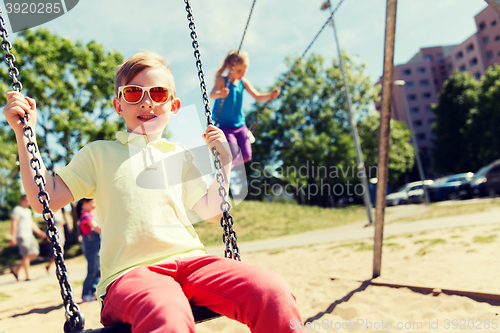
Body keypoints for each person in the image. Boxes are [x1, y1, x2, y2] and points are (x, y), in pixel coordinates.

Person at [4, 51, 303, 333]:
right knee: (167, 312)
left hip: (193, 264)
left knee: (271, 290)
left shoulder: (181, 154)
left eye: (158, 93)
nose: (146, 102)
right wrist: (24, 132)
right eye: (134, 93)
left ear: (173, 106)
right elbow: (46, 198)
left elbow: (212, 211)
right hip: (131, 274)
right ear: (118, 105)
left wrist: (224, 164)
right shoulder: (99, 153)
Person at [210, 50, 280, 166]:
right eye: (239, 70)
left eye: (244, 70)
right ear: (229, 67)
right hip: (225, 126)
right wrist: (220, 94)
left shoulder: (242, 82)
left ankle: (230, 164)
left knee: (247, 155)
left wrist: (270, 95)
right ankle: (227, 166)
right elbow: (213, 94)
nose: (242, 73)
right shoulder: (222, 80)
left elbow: (257, 96)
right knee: (234, 153)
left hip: (240, 125)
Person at [9, 195, 46, 281]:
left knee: (35, 253)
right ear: (22, 200)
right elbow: (14, 223)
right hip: (22, 235)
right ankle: (28, 275)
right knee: (26, 255)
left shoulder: (28, 211)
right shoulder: (17, 210)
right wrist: (13, 237)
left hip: (29, 235)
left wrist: (39, 232)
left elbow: (31, 224)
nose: (29, 203)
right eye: (27, 201)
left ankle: (16, 270)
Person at [76, 198, 101, 302]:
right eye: (92, 202)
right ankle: (86, 293)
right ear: (84, 203)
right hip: (91, 246)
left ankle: (94, 291)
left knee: (98, 269)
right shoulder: (86, 217)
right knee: (92, 269)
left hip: (96, 246)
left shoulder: (92, 215)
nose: (94, 204)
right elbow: (97, 229)